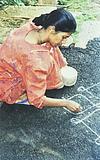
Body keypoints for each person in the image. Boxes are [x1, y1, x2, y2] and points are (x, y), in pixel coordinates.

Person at [0, 8, 81, 112]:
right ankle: (19, 97)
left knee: (51, 48)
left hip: (7, 64)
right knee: (37, 91)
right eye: (64, 37)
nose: (64, 42)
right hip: (7, 82)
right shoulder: (36, 61)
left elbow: (51, 47)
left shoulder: (31, 27)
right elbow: (37, 99)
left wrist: (62, 65)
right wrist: (66, 103)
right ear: (52, 30)